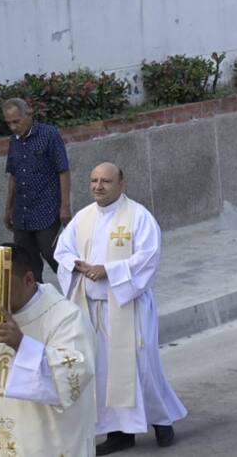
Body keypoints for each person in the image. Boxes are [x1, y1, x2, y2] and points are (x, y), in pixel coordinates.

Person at [53, 162, 186, 454]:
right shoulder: (83, 217)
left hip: (129, 306)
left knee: (142, 368)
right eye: (94, 180)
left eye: (106, 181)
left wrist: (109, 271)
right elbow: (62, 250)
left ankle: (162, 422)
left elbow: (148, 257)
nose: (98, 186)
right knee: (103, 373)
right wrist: (75, 264)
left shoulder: (139, 217)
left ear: (121, 184)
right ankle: (118, 433)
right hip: (93, 308)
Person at [0, 243, 96, 457]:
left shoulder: (67, 317)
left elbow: (73, 377)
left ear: (28, 279)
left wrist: (22, 345)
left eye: (3, 285)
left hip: (46, 443)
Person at [2, 97, 71, 278]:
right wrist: (8, 209)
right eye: (9, 123)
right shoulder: (14, 140)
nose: (13, 127)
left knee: (53, 254)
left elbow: (63, 170)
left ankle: (77, 288)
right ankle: (37, 295)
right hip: (22, 213)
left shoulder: (49, 135)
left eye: (16, 121)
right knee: (26, 263)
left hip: (47, 209)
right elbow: (13, 176)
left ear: (29, 114)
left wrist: (65, 206)